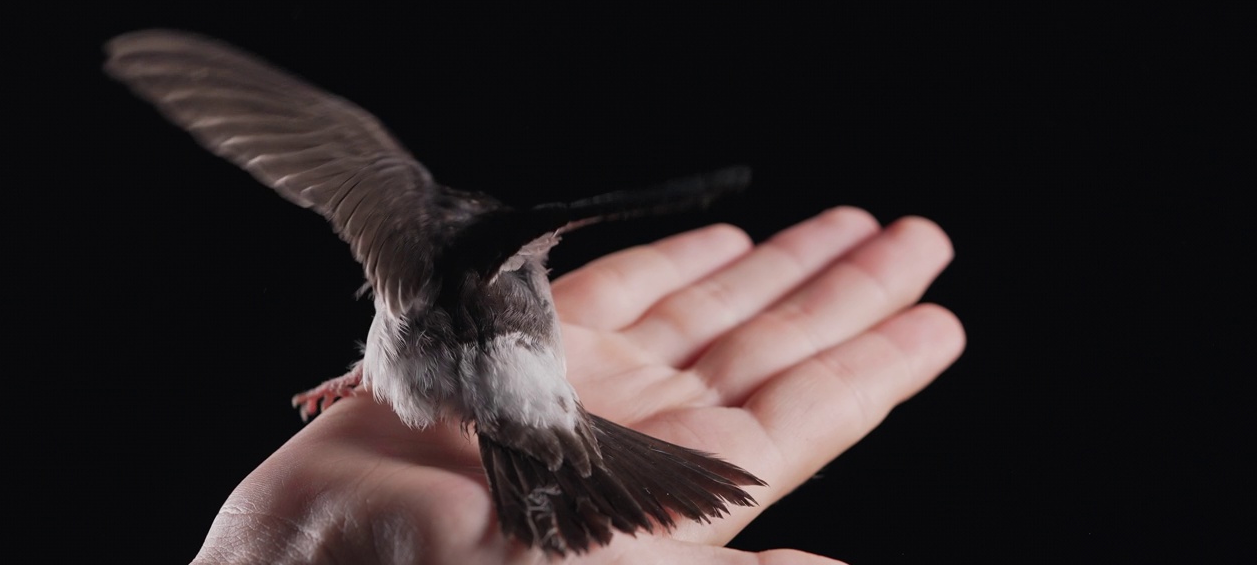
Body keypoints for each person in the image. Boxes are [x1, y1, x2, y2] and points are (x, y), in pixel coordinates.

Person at [191, 207, 964, 564]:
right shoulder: (508, 254)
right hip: (524, 370)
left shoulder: (409, 240)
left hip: (465, 375)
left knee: (409, 342)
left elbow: (404, 350)